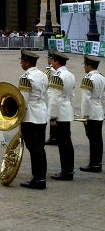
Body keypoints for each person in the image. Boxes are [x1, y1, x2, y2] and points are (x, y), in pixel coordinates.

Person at [18, 49, 49, 189]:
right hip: (42, 114)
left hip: (30, 116)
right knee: (40, 148)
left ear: (26, 62)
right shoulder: (43, 75)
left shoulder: (26, 77)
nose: (21, 63)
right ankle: (41, 177)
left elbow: (23, 101)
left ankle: (38, 179)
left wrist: (18, 118)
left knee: (34, 148)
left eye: (22, 61)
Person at [47, 50, 75, 181]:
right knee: (67, 143)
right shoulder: (70, 74)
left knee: (63, 144)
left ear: (57, 61)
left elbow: (54, 98)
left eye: (52, 60)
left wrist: (53, 117)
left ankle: (66, 172)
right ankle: (69, 170)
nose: (51, 62)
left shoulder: (58, 76)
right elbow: (71, 96)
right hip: (66, 110)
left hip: (59, 113)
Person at [79, 55, 104, 173]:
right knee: (98, 139)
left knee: (93, 139)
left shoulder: (88, 78)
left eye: (85, 65)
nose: (84, 67)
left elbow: (86, 100)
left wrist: (85, 115)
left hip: (91, 113)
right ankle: (97, 163)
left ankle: (93, 164)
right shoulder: (101, 77)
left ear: (89, 65)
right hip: (99, 111)